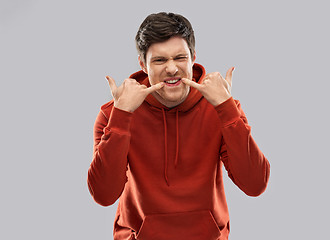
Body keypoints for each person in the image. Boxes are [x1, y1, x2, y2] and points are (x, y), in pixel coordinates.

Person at [87, 12, 270, 240]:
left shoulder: (221, 108)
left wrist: (226, 108)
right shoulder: (113, 114)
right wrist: (122, 115)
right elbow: (104, 195)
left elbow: (255, 185)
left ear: (193, 57)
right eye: (160, 60)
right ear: (143, 64)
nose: (172, 69)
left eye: (180, 58)